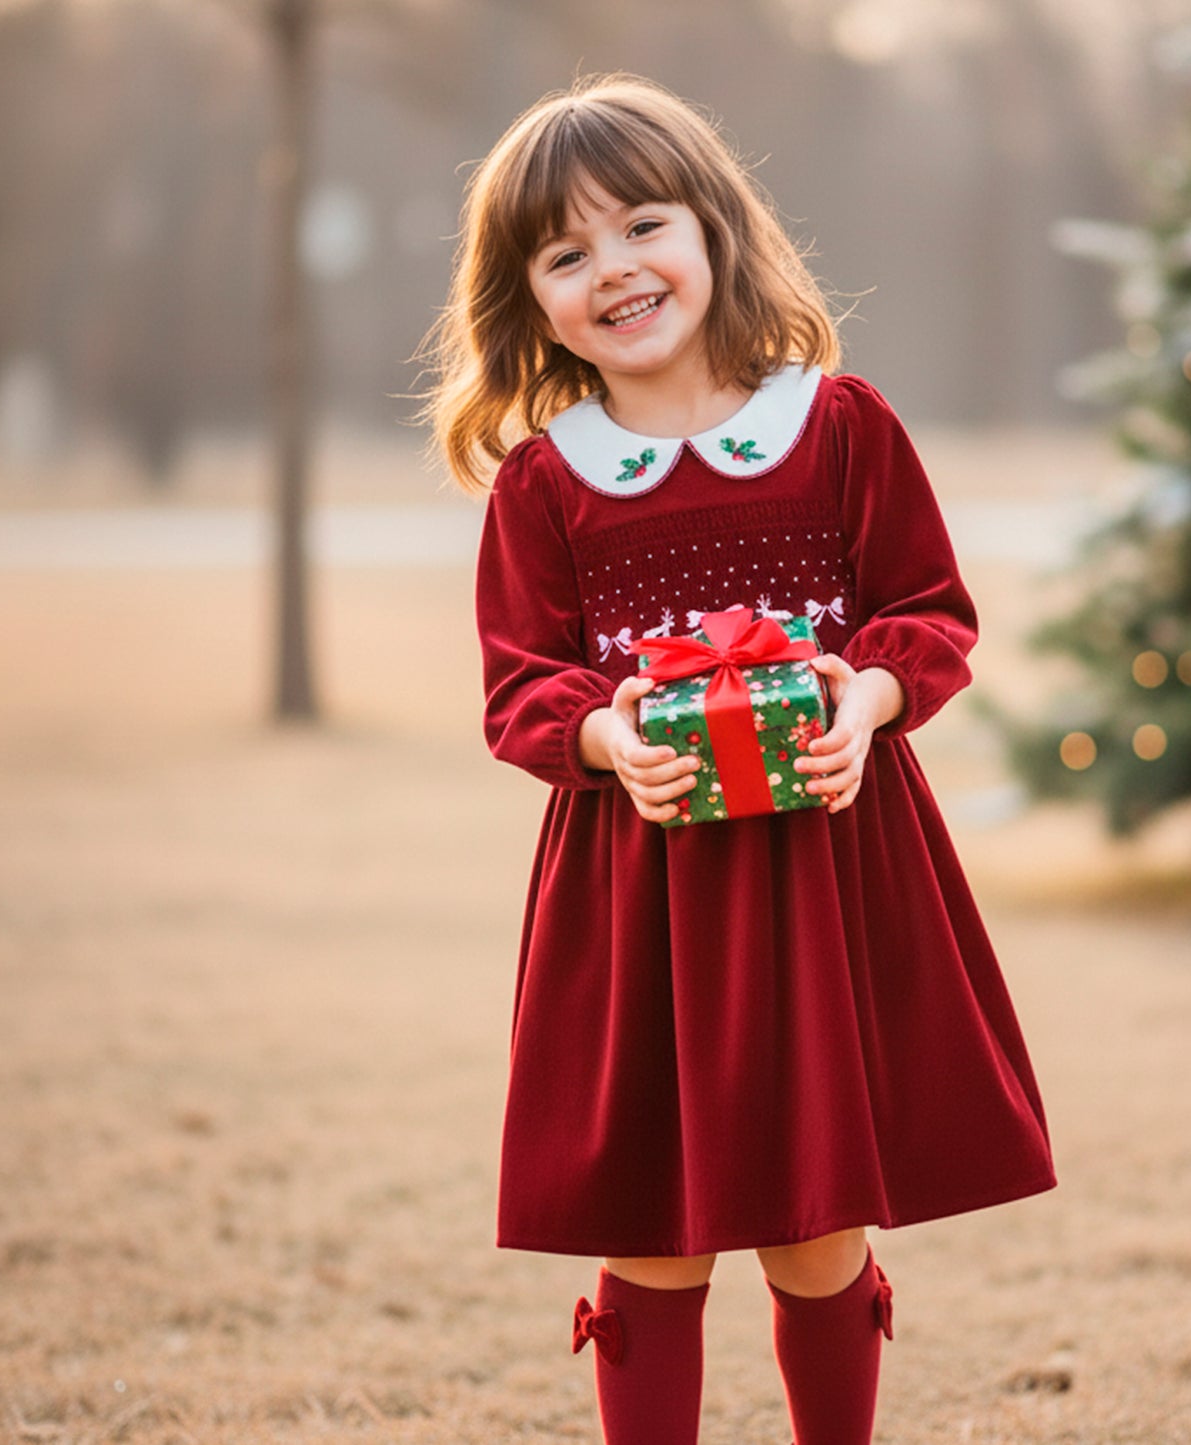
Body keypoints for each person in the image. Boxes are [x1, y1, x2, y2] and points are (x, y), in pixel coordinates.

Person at [424, 73, 1055, 1445]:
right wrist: (607, 733)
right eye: (565, 252)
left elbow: (928, 612)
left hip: (828, 874)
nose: (615, 270)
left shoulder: (836, 425)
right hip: (640, 898)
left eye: (641, 226)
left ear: (712, 229)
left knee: (813, 1220)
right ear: (527, 300)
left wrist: (865, 695)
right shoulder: (547, 482)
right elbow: (520, 686)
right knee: (653, 1223)